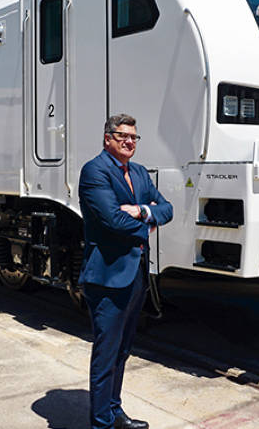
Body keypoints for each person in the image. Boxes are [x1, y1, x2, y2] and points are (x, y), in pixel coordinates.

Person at [78, 114, 173, 429]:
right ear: (107, 138)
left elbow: (167, 209)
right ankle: (101, 423)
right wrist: (148, 224)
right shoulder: (95, 172)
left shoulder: (140, 173)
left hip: (135, 275)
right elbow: (110, 220)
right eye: (122, 136)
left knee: (123, 349)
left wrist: (143, 210)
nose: (129, 141)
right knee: (106, 353)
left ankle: (114, 412)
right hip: (107, 277)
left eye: (134, 137)